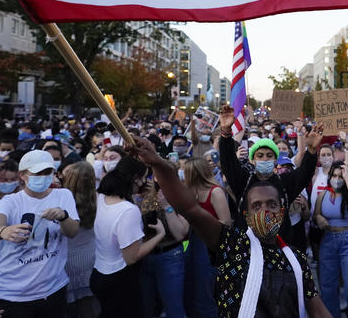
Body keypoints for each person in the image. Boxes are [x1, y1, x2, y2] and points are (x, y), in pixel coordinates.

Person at [127, 136, 331, 318]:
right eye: (256, 206)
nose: (265, 211)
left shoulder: (296, 260)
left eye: (272, 205)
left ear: (282, 212)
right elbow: (190, 209)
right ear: (245, 214)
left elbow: (317, 309)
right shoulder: (231, 245)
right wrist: (157, 163)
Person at [0, 150, 80, 318]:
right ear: (23, 175)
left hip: (53, 289)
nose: (43, 177)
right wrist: (4, 231)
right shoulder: (10, 202)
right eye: (37, 173)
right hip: (11, 295)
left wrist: (63, 216)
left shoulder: (63, 195)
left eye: (47, 172)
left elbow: (72, 232)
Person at [217, 105, 321, 245]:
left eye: (269, 155)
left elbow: (304, 173)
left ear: (275, 160)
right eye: (260, 156)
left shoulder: (285, 183)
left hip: (279, 247)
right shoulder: (243, 180)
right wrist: (225, 132)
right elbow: (228, 161)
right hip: (248, 249)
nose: (265, 159)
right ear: (253, 160)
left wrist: (312, 151)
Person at [91, 156, 165, 318]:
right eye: (145, 177)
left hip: (99, 272)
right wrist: (159, 235)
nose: (147, 181)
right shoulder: (128, 211)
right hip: (120, 280)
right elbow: (131, 257)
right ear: (136, 179)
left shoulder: (102, 197)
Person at [183, 156, 231, 318]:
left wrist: (201, 219)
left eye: (186, 172)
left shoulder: (215, 191)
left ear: (195, 173)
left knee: (206, 293)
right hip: (193, 245)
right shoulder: (189, 191)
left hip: (210, 249)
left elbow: (225, 223)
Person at [313, 162, 348, 318]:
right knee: (327, 285)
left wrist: (347, 177)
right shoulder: (323, 195)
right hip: (328, 240)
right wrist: (319, 217)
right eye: (334, 176)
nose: (337, 179)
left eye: (340, 176)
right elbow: (316, 215)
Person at [139, 178, 190, 318]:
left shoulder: (179, 196)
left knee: (174, 309)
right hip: (145, 258)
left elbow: (180, 234)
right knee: (148, 309)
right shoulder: (142, 198)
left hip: (170, 257)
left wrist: (167, 205)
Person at [62, 162, 99, 318]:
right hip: (91, 258)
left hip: (66, 260)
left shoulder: (62, 203)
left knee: (67, 309)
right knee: (89, 307)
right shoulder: (99, 200)